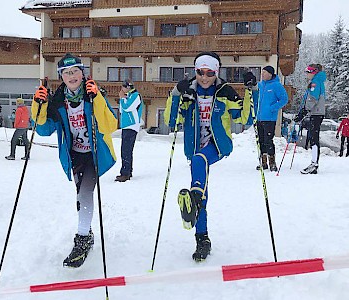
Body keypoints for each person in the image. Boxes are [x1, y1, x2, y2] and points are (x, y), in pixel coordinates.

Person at [31, 53, 117, 268]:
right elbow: (42, 129)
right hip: (74, 154)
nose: (71, 76)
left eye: (75, 71)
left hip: (94, 154)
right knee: (81, 194)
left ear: (82, 73)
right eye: (66, 73)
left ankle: (82, 238)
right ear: (61, 77)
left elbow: (110, 125)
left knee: (85, 192)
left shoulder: (93, 95)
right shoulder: (57, 101)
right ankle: (86, 233)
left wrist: (96, 98)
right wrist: (38, 105)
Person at [164, 51, 252, 261]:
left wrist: (251, 91)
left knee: (199, 161)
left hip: (218, 145)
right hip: (194, 146)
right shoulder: (188, 93)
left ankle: (194, 199)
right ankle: (202, 239)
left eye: (209, 73)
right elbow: (171, 121)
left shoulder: (224, 92)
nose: (204, 77)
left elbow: (244, 118)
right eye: (200, 72)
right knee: (202, 189)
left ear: (216, 72)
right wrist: (175, 94)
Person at [251, 66, 288, 171]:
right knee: (261, 141)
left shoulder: (276, 85)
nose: (262, 74)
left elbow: (284, 99)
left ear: (270, 74)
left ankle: (272, 162)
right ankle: (263, 162)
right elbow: (253, 92)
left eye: (264, 72)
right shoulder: (260, 85)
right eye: (262, 72)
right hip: (259, 117)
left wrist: (273, 108)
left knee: (268, 140)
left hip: (269, 118)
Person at [294, 64, 326, 174]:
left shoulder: (315, 82)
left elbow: (313, 98)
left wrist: (304, 110)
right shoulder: (316, 81)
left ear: (314, 72)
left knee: (313, 137)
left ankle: (314, 163)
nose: (306, 74)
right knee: (313, 137)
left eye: (308, 72)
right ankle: (314, 162)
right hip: (316, 112)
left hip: (316, 113)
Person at [115, 79, 143, 182]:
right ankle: (127, 171)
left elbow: (127, 107)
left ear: (127, 87)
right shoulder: (128, 97)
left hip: (132, 125)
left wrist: (122, 99)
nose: (121, 89)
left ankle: (125, 173)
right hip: (126, 125)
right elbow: (121, 110)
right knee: (125, 150)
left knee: (126, 150)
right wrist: (123, 99)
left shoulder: (135, 95)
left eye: (123, 87)